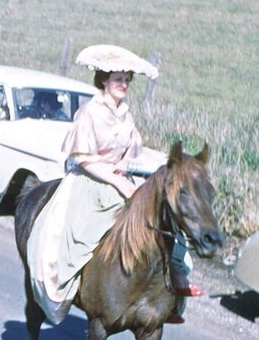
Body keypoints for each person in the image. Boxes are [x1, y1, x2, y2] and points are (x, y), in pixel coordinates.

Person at [27, 50, 198, 325]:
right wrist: (116, 179)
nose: (124, 84)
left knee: (163, 219)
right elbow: (82, 158)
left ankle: (172, 282)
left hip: (121, 181)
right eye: (118, 79)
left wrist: (126, 165)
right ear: (104, 80)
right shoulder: (90, 112)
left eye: (127, 79)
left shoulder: (125, 116)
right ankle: (78, 288)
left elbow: (132, 149)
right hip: (90, 183)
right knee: (78, 236)